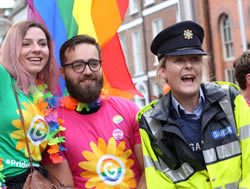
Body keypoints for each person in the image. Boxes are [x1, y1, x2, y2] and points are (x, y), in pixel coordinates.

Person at [137, 20, 250, 188]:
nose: (189, 65)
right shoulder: (150, 123)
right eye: (179, 60)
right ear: (163, 71)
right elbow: (159, 183)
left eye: (195, 59)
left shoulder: (230, 99)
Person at [43, 34, 144, 189]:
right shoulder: (52, 123)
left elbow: (149, 170)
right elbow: (65, 186)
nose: (88, 71)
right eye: (78, 65)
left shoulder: (129, 109)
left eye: (94, 63)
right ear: (63, 72)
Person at [0, 21, 72, 188]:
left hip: (35, 180)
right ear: (11, 49)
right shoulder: (3, 79)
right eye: (26, 44)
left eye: (42, 44)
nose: (37, 49)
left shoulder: (41, 96)